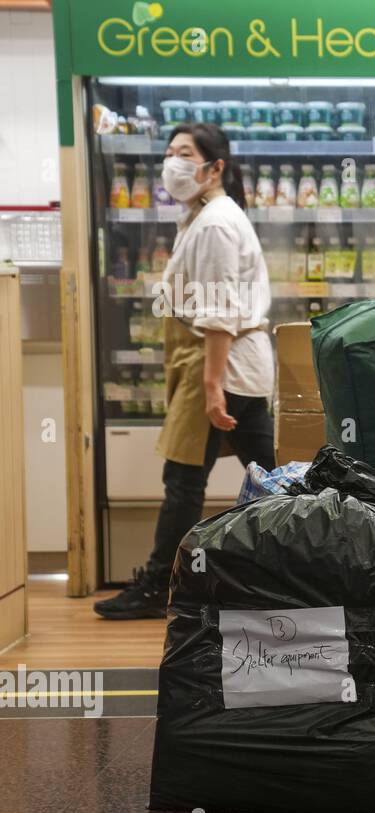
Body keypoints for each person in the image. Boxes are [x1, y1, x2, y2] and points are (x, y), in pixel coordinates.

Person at [95, 123, 275, 619]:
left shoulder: (216, 222)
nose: (172, 162)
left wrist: (212, 385)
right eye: (169, 152)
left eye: (184, 153)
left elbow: (218, 310)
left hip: (221, 363)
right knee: (274, 474)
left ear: (215, 167)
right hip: (223, 361)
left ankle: (158, 584)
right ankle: (308, 564)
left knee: (185, 479)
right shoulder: (202, 216)